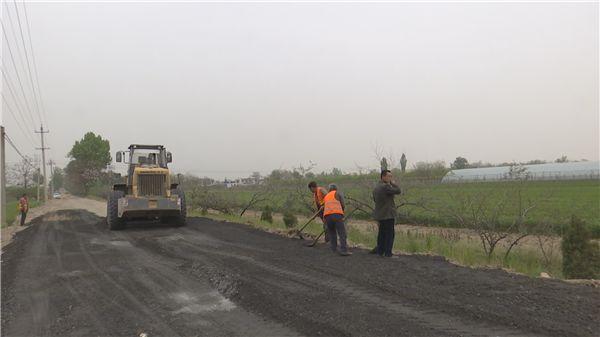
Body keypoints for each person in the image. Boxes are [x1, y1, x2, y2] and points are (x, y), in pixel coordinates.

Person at [372, 170, 401, 257]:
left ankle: (380, 252)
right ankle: (388, 253)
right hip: (388, 214)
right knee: (390, 234)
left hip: (380, 214)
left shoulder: (376, 187)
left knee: (381, 234)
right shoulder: (386, 187)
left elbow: (374, 200)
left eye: (391, 176)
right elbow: (398, 191)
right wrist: (393, 183)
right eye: (389, 176)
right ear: (383, 177)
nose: (390, 178)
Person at [323, 184, 351, 256]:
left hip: (327, 216)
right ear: (336, 189)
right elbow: (343, 204)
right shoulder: (337, 193)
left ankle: (334, 249)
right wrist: (342, 212)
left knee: (332, 233)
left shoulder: (326, 196)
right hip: (336, 215)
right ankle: (343, 250)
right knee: (342, 233)